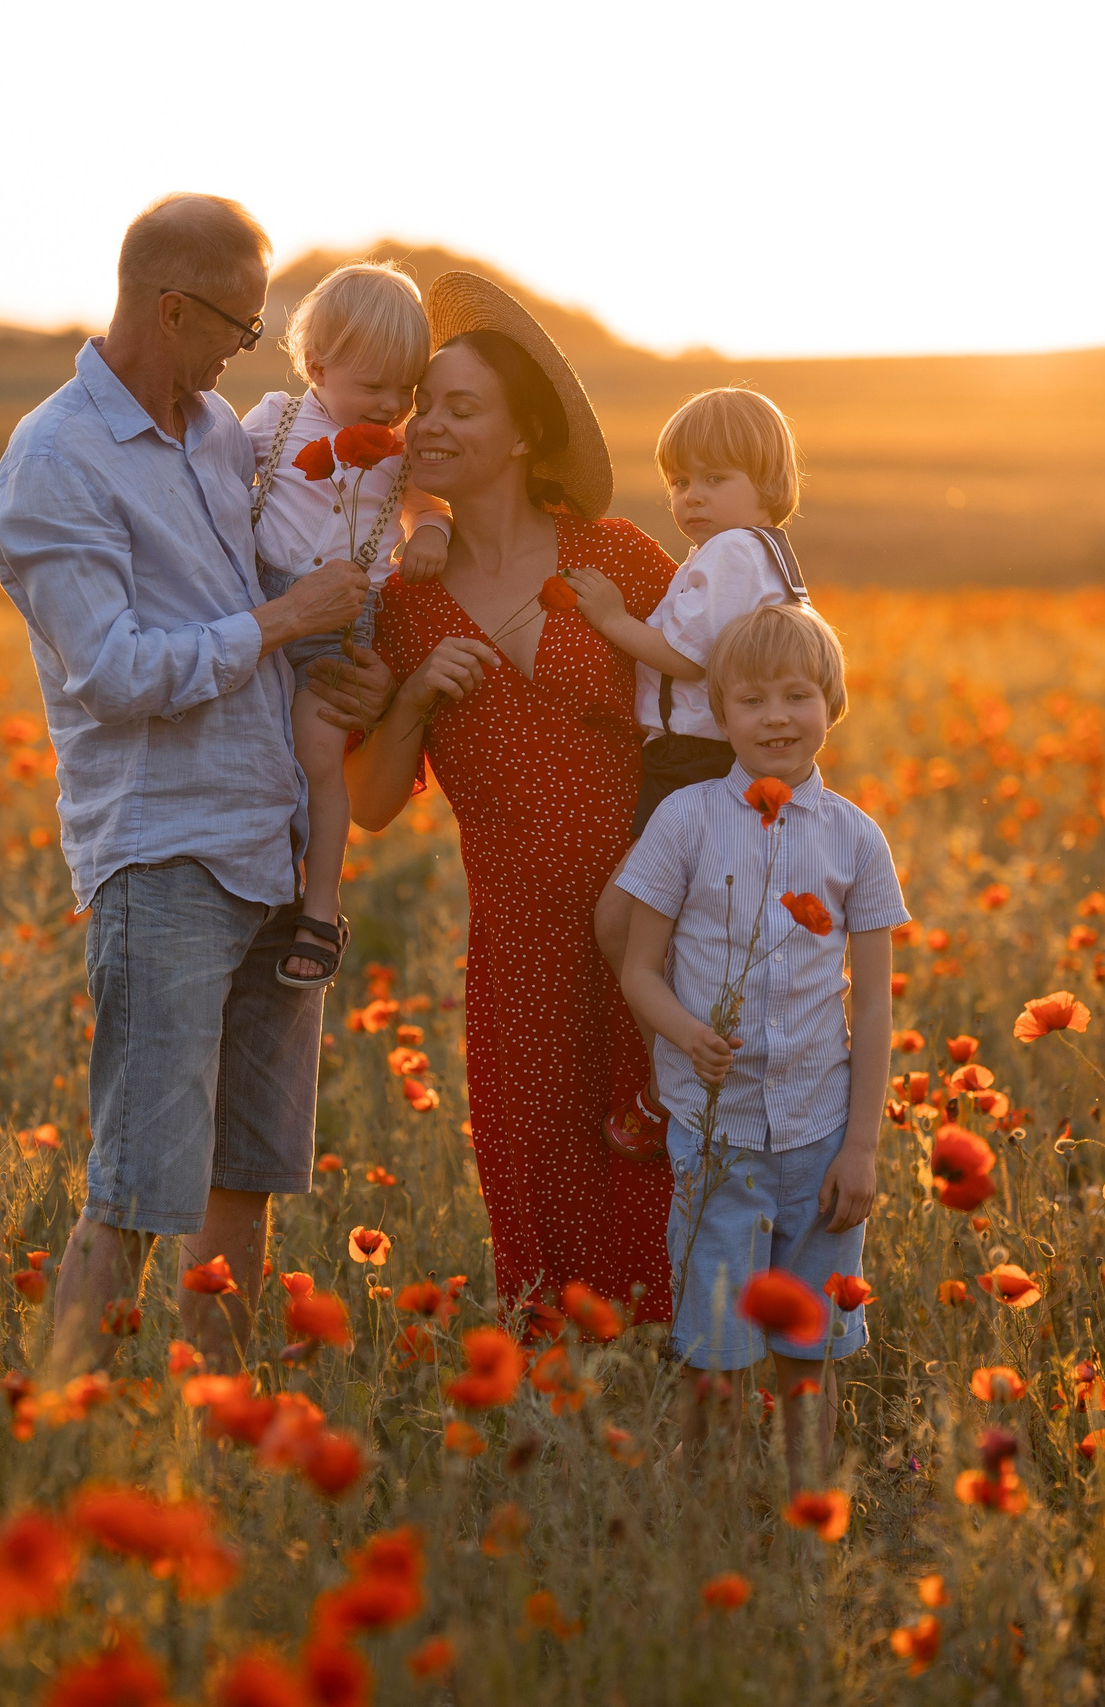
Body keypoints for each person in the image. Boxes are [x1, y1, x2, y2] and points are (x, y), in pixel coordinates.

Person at [0, 193, 385, 1381]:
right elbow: (111, 673)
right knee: (139, 1191)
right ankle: (66, 1429)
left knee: (241, 1181)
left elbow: (270, 596)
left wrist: (340, 667)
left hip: (272, 845)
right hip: (163, 857)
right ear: (171, 308)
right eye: (237, 326)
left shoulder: (219, 434)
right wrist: (282, 622)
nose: (244, 352)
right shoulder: (52, 463)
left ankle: (216, 1435)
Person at [339, 272, 679, 1331]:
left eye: (461, 408)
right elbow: (370, 804)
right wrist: (411, 704)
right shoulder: (402, 604)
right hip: (520, 948)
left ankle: (684, 1400)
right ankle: (571, 1402)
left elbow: (722, 701)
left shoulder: (613, 556)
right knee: (542, 1182)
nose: (429, 425)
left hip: (652, 929)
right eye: (423, 407)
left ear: (525, 435)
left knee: (669, 1168)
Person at [611, 601, 906, 1474]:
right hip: (718, 1138)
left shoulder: (857, 838)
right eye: (751, 700)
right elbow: (638, 969)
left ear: (832, 704)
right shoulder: (686, 820)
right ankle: (713, 1514)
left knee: (809, 1352)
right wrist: (686, 1033)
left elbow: (874, 1009)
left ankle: (807, 1505)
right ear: (720, 713)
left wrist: (860, 1148)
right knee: (715, 1352)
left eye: (797, 695)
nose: (776, 717)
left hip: (818, 1136)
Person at [568, 387, 809, 1158]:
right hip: (709, 768)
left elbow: (689, 657)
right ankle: (689, 1080)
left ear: (767, 482)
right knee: (682, 937)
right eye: (679, 481)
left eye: (714, 479)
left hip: (697, 768)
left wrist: (611, 619)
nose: (691, 497)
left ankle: (673, 1083)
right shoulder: (763, 555)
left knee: (622, 922)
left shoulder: (734, 553)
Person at [241, 263, 454, 987]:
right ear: (316, 367)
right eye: (374, 386)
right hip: (263, 604)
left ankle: (320, 904)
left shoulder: (400, 450)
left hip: (343, 624)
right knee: (257, 748)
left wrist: (429, 533)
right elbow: (214, 481)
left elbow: (425, 506)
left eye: (406, 390)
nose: (391, 405)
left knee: (320, 749)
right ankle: (260, 881)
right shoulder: (273, 421)